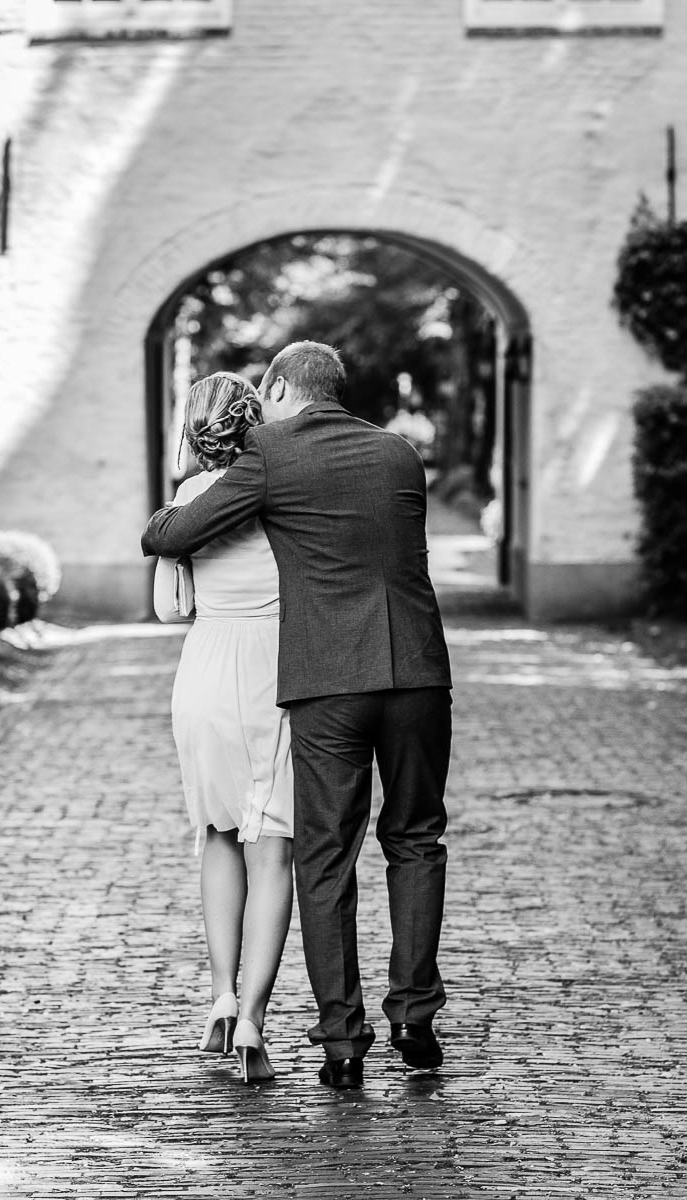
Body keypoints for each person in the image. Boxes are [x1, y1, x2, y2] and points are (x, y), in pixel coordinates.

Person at [143, 342, 453, 1091]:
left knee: (324, 854)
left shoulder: (274, 455)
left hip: (326, 683)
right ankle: (414, 1011)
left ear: (280, 387)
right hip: (415, 673)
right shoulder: (400, 454)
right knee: (416, 837)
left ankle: (342, 1041)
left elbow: (174, 536)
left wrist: (167, 510)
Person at [159, 371, 294, 1086]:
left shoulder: (184, 500)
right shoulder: (279, 491)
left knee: (215, 834)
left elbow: (169, 611)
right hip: (273, 668)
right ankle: (255, 1020)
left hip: (205, 667)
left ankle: (219, 994)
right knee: (273, 846)